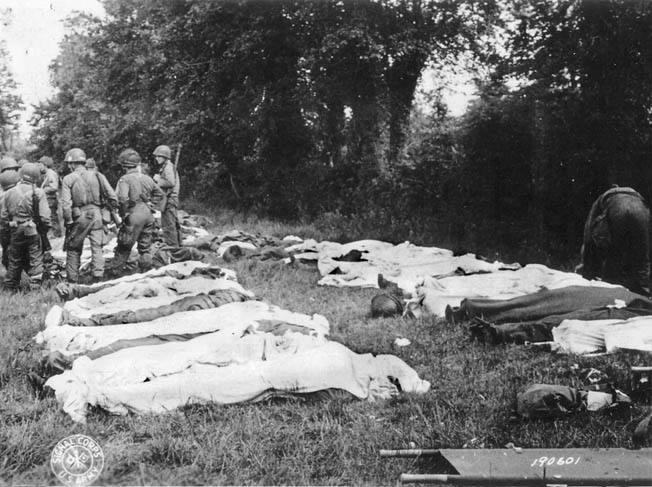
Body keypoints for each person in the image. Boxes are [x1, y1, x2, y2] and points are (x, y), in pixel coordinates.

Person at [576, 186, 651, 296]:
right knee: (641, 257)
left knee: (613, 255)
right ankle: (645, 296)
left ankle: (610, 294)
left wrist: (585, 267)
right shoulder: (636, 198)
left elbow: (588, 237)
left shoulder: (599, 202)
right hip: (641, 210)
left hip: (617, 209)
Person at [60, 148, 118, 284]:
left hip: (79, 217)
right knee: (97, 247)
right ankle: (98, 277)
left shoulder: (68, 179)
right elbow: (113, 197)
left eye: (69, 164)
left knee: (73, 248)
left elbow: (66, 204)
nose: (69, 167)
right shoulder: (98, 175)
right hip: (97, 215)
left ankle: (72, 280)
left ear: (72, 164)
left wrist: (68, 221)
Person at [110, 148, 163, 275]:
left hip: (133, 215)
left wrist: (123, 214)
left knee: (123, 247)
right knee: (145, 248)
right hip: (148, 214)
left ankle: (115, 275)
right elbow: (159, 193)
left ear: (124, 165)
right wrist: (151, 203)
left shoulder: (125, 179)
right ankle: (146, 272)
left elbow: (122, 199)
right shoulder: (147, 178)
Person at [0, 163, 51, 291]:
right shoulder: (38, 192)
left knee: (14, 260)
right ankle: (35, 288)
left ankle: (10, 288)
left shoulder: (9, 193)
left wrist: (10, 227)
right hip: (33, 229)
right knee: (36, 258)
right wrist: (44, 230)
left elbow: (4, 216)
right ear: (36, 177)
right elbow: (45, 217)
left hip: (16, 229)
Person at [152, 144, 181, 246]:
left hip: (170, 198)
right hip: (169, 198)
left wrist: (158, 179)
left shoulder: (168, 167)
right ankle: (177, 246)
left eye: (159, 156)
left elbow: (171, 182)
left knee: (168, 224)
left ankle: (172, 248)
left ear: (165, 157)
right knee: (172, 223)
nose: (157, 158)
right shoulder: (166, 167)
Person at [0, 169, 20, 270]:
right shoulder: (14, 194)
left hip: (4, 228)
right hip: (12, 226)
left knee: (6, 251)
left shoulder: (2, 195)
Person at [39, 156, 61, 237]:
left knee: (52, 216)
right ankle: (54, 234)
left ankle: (56, 234)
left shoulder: (50, 173)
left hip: (51, 199)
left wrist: (43, 190)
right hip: (48, 198)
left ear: (45, 164)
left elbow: (54, 187)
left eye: (41, 165)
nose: (39, 167)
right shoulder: (46, 174)